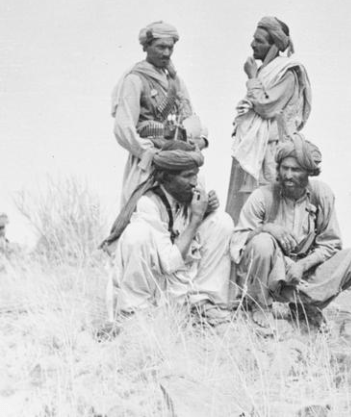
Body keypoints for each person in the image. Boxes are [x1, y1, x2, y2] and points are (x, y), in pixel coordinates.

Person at [230, 134, 351, 333]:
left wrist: (302, 265)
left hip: (304, 274)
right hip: (272, 273)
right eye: (284, 168)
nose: (288, 175)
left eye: (295, 170)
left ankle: (305, 307)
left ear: (309, 172)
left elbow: (331, 244)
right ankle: (260, 305)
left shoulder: (322, 195)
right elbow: (237, 242)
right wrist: (266, 228)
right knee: (262, 242)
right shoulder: (262, 196)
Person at [101, 141, 234, 324]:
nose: (194, 182)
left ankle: (203, 304)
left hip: (181, 284)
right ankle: (134, 315)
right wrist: (196, 218)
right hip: (156, 286)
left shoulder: (191, 189)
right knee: (136, 233)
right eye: (187, 176)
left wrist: (205, 212)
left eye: (195, 174)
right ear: (166, 177)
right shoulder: (149, 203)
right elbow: (169, 263)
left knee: (221, 221)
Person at [226, 16, 312, 224]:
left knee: (268, 205)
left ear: (275, 45)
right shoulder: (265, 70)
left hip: (273, 150)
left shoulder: (288, 72)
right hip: (254, 146)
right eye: (253, 39)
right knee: (243, 207)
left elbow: (266, 106)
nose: (252, 44)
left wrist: (252, 78)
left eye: (259, 41)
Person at [112, 21, 207, 205]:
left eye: (170, 48)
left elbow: (190, 117)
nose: (166, 53)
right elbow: (123, 128)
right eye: (161, 47)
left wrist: (200, 139)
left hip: (180, 163)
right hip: (150, 163)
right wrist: (149, 154)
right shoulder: (135, 79)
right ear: (146, 47)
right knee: (144, 209)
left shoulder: (176, 81)